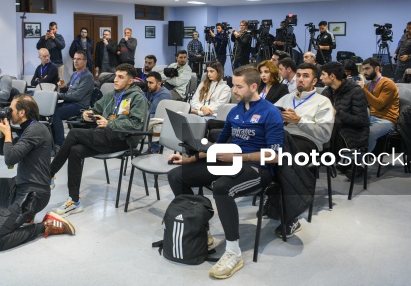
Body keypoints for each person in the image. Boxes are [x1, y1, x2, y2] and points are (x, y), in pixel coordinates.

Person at [167, 65, 284, 280]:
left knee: (222, 188)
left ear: (254, 86)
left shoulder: (270, 112)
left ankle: (233, 252)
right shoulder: (235, 111)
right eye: (233, 86)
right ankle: (201, 229)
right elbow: (218, 146)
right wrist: (189, 159)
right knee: (177, 175)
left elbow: (274, 156)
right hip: (230, 160)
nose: (234, 90)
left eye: (239, 87)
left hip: (258, 169)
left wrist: (237, 157)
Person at [0, 94, 75, 252]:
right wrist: (0, 132)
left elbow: (10, 159)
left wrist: (8, 133)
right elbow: (3, 151)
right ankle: (17, 213)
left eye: (11, 109)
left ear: (22, 112)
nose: (8, 112)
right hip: (18, 184)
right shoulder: (27, 129)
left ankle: (44, 226)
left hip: (33, 193)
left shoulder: (37, 129)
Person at [49, 64, 147, 215]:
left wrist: (110, 123)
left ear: (130, 81)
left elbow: (135, 125)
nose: (115, 80)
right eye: (116, 76)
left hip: (124, 139)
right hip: (106, 137)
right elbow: (95, 109)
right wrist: (87, 113)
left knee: (74, 134)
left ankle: (49, 173)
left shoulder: (137, 98)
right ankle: (74, 201)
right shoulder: (112, 95)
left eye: (121, 77)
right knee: (75, 151)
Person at [320, 62, 370, 175]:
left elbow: (362, 120)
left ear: (332, 76)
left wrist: (337, 113)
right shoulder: (326, 91)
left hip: (353, 131)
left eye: (323, 74)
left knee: (334, 124)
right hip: (334, 127)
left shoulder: (355, 91)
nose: (320, 77)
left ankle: (347, 162)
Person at [274, 63, 334, 153]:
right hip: (281, 136)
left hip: (305, 140)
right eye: (298, 76)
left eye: (305, 76)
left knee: (281, 152)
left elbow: (324, 135)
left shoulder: (323, 102)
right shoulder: (287, 98)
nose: (300, 79)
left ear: (314, 81)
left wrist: (299, 120)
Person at [52, 51, 95, 151]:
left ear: (85, 61)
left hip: (80, 105)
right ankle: (52, 141)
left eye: (78, 59)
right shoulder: (75, 74)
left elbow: (77, 96)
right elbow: (69, 92)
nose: (75, 61)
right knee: (50, 111)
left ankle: (60, 144)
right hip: (70, 103)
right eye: (74, 59)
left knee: (56, 114)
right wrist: (63, 88)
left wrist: (59, 95)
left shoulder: (88, 76)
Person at [358, 57, 399, 152]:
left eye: (367, 69)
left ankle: (358, 163)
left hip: (386, 119)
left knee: (370, 133)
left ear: (377, 68)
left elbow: (379, 104)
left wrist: (363, 90)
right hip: (371, 117)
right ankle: (351, 158)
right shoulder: (368, 85)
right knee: (351, 129)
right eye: (363, 69)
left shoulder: (388, 83)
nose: (364, 72)